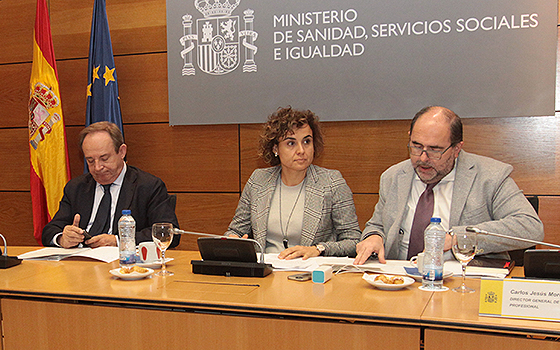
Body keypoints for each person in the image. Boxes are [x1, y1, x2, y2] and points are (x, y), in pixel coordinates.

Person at [353, 106, 543, 264]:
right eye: (416, 146)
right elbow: (377, 225)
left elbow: (530, 227)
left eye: (435, 150)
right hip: (400, 281)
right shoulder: (393, 177)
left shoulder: (489, 176)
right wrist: (374, 237)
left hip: (463, 283)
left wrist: (457, 238)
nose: (423, 158)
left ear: (456, 148)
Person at [226, 107, 360, 259]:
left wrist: (319, 249)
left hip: (310, 274)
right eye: (291, 143)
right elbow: (236, 231)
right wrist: (233, 240)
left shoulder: (331, 182)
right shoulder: (258, 180)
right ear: (276, 148)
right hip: (265, 272)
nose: (301, 150)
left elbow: (354, 241)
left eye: (307, 141)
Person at [42, 121, 180, 248]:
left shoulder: (148, 186)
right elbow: (50, 230)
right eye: (90, 161)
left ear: (122, 152)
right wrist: (62, 238)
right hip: (80, 265)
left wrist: (118, 240)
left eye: (104, 159)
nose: (97, 167)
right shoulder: (76, 187)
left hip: (125, 265)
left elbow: (169, 233)